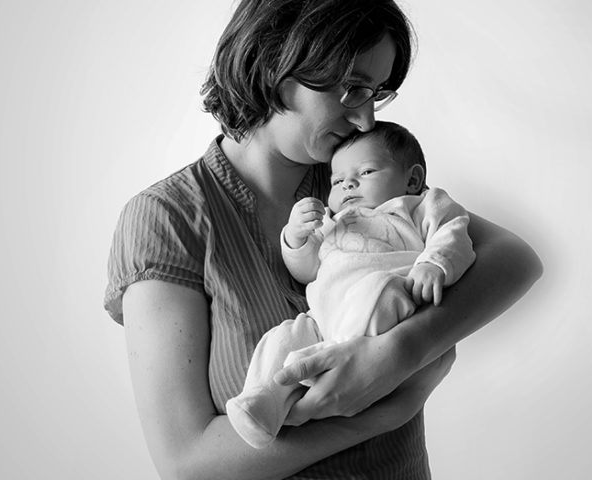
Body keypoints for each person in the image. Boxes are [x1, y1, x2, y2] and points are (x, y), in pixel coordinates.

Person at [104, 0, 542, 478]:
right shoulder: (168, 219)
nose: (367, 121)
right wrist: (380, 406)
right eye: (352, 88)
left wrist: (401, 353)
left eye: (374, 93)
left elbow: (516, 258)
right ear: (276, 64)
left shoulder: (354, 183)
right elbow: (189, 464)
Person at [227, 121, 476, 448]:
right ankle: (264, 399)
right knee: (284, 336)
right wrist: (295, 235)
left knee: (379, 292)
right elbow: (306, 270)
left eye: (367, 172)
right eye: (338, 180)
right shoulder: (333, 221)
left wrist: (434, 264)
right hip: (323, 320)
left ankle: (325, 366)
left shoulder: (420, 205)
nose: (348, 185)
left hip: (387, 299)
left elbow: (454, 234)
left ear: (412, 179)